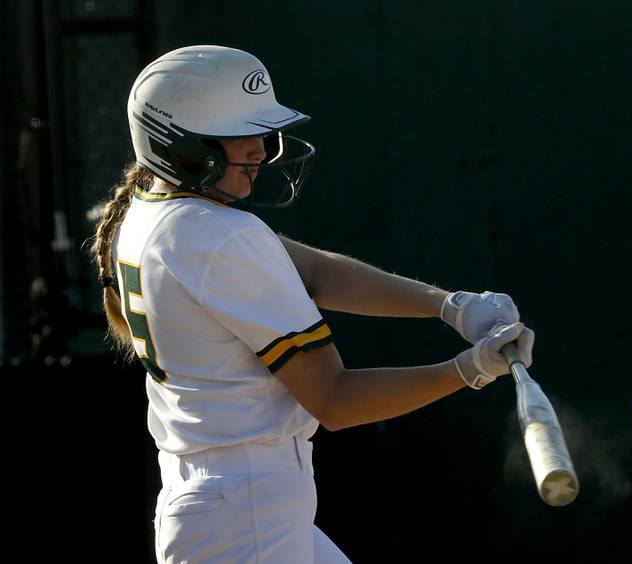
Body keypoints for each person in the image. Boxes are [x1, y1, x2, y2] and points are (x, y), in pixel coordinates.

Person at [90, 45, 534, 564]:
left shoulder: (151, 211)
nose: (260, 149)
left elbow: (317, 272)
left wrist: (453, 307)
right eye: (241, 132)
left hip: (227, 504)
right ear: (181, 145)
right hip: (247, 512)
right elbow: (335, 399)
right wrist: (468, 370)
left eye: (261, 131)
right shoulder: (218, 235)